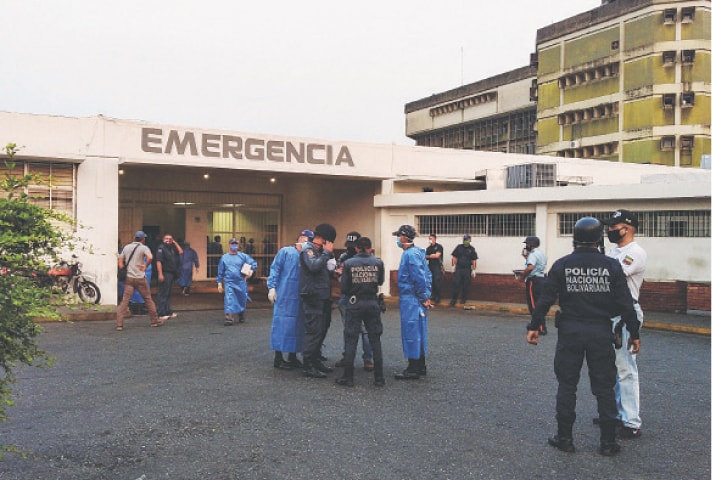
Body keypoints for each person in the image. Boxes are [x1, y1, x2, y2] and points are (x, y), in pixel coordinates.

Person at [526, 217, 641, 457]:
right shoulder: (611, 266)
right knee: (605, 387)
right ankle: (608, 443)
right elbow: (625, 301)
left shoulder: (562, 265)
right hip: (600, 331)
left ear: (574, 239)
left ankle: (564, 438)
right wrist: (634, 332)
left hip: (570, 332)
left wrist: (534, 325)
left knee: (567, 385)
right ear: (599, 239)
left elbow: (546, 299)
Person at [602, 209, 647, 439]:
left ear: (627, 228)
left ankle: (631, 421)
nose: (610, 230)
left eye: (613, 226)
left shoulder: (635, 253)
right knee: (613, 367)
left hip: (626, 314)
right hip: (611, 314)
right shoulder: (613, 251)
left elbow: (612, 276)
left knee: (627, 369)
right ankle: (617, 414)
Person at [336, 236, 386, 387]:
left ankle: (348, 377)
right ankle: (379, 378)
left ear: (357, 248)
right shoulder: (378, 262)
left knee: (351, 338)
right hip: (372, 302)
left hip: (354, 302)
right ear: (370, 248)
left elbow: (344, 288)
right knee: (375, 340)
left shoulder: (349, 263)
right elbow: (381, 281)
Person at [267, 229, 313, 370]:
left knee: (298, 327)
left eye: (308, 239)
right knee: (282, 325)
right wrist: (272, 287)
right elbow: (275, 269)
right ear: (299, 238)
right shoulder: (286, 252)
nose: (305, 241)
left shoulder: (308, 255)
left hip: (300, 297)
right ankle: (278, 358)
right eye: (303, 238)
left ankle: (293, 357)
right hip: (285, 295)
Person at [392, 225, 432, 380]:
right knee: (419, 332)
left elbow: (419, 277)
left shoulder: (410, 255)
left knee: (411, 332)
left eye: (398, 237)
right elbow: (426, 276)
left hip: (411, 299)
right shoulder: (418, 252)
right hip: (417, 298)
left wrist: (423, 296)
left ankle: (413, 367)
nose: (397, 240)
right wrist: (426, 296)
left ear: (403, 237)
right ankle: (420, 365)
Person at [299, 223, 337, 378]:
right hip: (312, 296)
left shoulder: (318, 251)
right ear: (325, 239)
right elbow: (313, 266)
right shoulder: (308, 249)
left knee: (320, 329)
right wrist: (327, 254)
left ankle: (315, 360)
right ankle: (308, 364)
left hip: (321, 296)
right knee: (313, 330)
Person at [334, 231, 374, 372]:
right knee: (350, 329)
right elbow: (338, 277)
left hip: (360, 296)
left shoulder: (370, 258)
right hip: (348, 296)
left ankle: (368, 359)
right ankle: (348, 357)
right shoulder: (344, 257)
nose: (351, 249)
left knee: (364, 330)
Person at [116, 231, 161, 331]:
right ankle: (154, 321)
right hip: (140, 278)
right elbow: (150, 257)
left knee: (124, 301)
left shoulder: (127, 247)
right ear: (143, 239)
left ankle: (119, 324)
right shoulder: (144, 248)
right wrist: (146, 265)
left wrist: (123, 269)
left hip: (129, 278)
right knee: (148, 299)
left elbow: (120, 259)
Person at [217, 237, 258, 325]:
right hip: (229, 282)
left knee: (241, 298)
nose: (234, 245)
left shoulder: (243, 256)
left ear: (238, 245)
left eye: (236, 244)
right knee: (229, 299)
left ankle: (241, 313)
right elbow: (220, 271)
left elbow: (253, 263)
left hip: (241, 282)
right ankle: (229, 318)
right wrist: (219, 284)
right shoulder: (224, 258)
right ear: (229, 245)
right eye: (232, 244)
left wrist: (250, 271)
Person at [520, 236, 548, 335]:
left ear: (531, 244)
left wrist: (522, 277)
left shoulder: (533, 254)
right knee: (538, 304)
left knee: (533, 305)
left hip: (533, 281)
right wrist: (526, 258)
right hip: (542, 279)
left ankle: (540, 327)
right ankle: (536, 325)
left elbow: (530, 267)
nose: (526, 246)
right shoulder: (541, 253)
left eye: (527, 244)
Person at [155, 233, 183, 322]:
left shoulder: (171, 248)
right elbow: (158, 261)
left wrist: (174, 242)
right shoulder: (161, 248)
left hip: (171, 273)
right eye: (166, 238)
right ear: (163, 239)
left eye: (170, 238)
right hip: (165, 272)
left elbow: (181, 251)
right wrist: (160, 274)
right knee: (163, 293)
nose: (168, 240)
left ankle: (167, 311)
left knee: (168, 293)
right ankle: (161, 313)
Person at [450, 234, 478, 306]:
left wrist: (474, 270)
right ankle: (454, 299)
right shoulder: (459, 247)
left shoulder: (472, 249)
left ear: (470, 240)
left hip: (467, 269)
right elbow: (454, 257)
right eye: (465, 240)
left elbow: (474, 260)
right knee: (456, 284)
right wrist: (453, 266)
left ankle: (463, 299)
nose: (466, 241)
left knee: (466, 285)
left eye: (467, 240)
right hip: (459, 268)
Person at [425, 233, 444, 304]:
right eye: (429, 239)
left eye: (431, 239)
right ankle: (432, 295)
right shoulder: (428, 248)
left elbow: (437, 256)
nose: (430, 240)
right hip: (430, 266)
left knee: (437, 282)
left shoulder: (439, 247)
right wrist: (431, 256)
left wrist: (430, 256)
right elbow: (425, 256)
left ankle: (438, 297)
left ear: (435, 239)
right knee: (431, 282)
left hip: (437, 266)